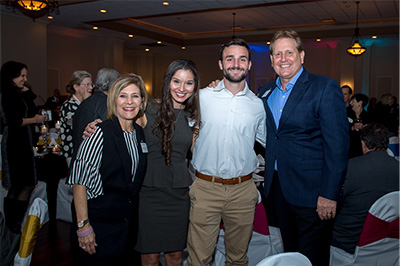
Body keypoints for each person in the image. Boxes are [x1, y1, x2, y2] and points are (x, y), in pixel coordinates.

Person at [258, 30, 349, 266]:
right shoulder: (266, 92)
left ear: (302, 55)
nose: (283, 58)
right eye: (278, 54)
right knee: (291, 255)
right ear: (271, 60)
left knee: (313, 257)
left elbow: (337, 147)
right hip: (279, 190)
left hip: (314, 194)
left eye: (289, 52)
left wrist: (329, 194)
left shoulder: (324, 87)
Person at [186, 39, 266, 266]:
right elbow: (184, 131)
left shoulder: (258, 106)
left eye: (242, 59)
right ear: (221, 64)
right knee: (198, 259)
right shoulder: (201, 97)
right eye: (229, 58)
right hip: (205, 189)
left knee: (238, 258)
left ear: (249, 65)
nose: (235, 64)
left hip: (243, 191)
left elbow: (269, 141)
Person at [67, 73, 148, 265]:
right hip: (98, 226)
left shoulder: (139, 134)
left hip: (125, 227)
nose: (129, 101)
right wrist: (83, 226)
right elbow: (80, 182)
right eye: (122, 95)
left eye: (135, 96)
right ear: (113, 100)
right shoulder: (99, 132)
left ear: (142, 101)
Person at [135, 59, 200, 266]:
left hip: (179, 193)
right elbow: (120, 130)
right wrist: (93, 125)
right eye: (176, 81)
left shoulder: (194, 116)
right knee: (150, 257)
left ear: (194, 86)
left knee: (175, 256)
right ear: (167, 82)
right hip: (149, 193)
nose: (182, 88)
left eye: (188, 83)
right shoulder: (146, 110)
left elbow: (197, 152)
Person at [332, 123, 399, 254]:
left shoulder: (350, 168)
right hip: (389, 243)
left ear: (363, 144)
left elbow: (334, 201)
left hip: (348, 243)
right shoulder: (398, 168)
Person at [0, 61, 46, 234]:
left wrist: (26, 90)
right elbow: (14, 121)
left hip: (24, 141)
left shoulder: (18, 93)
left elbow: (31, 108)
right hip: (14, 142)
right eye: (22, 76)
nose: (25, 79)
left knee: (26, 183)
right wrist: (34, 120)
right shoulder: (7, 94)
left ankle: (16, 222)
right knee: (17, 184)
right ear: (11, 76)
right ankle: (12, 224)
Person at [72, 68, 120, 161]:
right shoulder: (106, 104)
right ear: (113, 85)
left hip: (79, 157)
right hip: (94, 160)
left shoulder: (85, 102)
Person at [60, 70, 92, 165]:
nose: (90, 88)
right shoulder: (68, 106)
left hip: (86, 151)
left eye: (91, 85)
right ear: (76, 87)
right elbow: (79, 126)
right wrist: (87, 104)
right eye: (87, 84)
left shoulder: (86, 103)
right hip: (73, 152)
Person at [348, 93, 371, 158]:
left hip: (362, 146)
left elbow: (371, 131)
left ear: (360, 103)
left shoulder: (368, 116)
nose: (350, 103)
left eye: (353, 101)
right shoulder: (347, 114)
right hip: (349, 145)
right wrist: (352, 128)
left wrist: (363, 127)